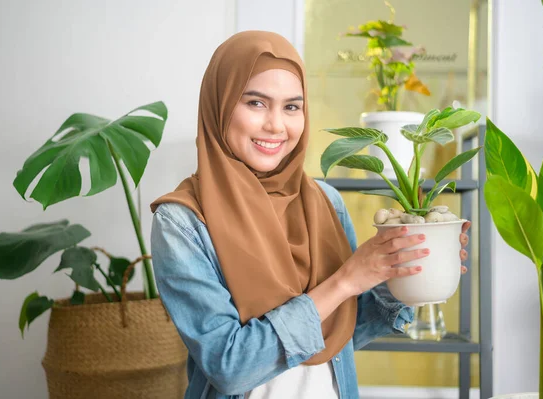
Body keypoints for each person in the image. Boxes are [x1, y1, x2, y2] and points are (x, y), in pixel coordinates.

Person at [149, 30, 470, 399]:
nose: (276, 125)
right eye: (255, 103)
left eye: (291, 106)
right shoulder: (183, 222)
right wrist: (347, 279)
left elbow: (342, 333)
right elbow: (231, 366)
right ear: (219, 105)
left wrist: (400, 272)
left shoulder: (323, 201)